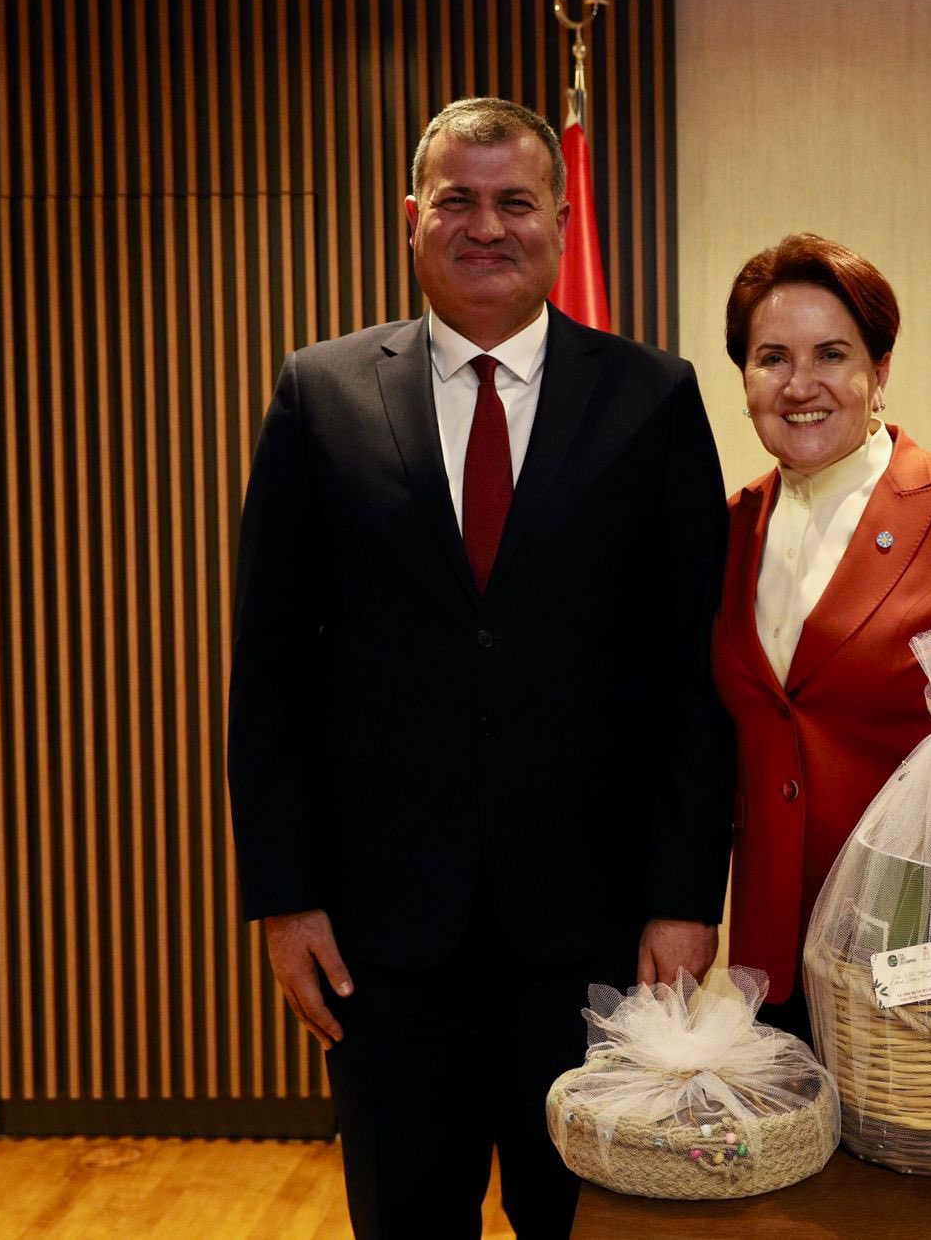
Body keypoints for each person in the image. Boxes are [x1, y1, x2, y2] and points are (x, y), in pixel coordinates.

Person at [225, 97, 735, 1240]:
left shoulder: (652, 396)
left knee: (590, 1224)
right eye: (456, 199)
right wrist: (284, 895)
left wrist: (682, 896)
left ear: (560, 220)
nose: (486, 225)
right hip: (383, 932)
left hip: (597, 928)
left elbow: (690, 671)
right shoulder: (320, 391)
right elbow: (270, 668)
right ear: (411, 217)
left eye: (514, 201)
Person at [708, 232, 931, 1042]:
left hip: (920, 954)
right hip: (770, 956)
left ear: (880, 370)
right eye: (772, 358)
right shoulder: (728, 529)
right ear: (745, 378)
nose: (800, 385)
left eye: (831, 355)